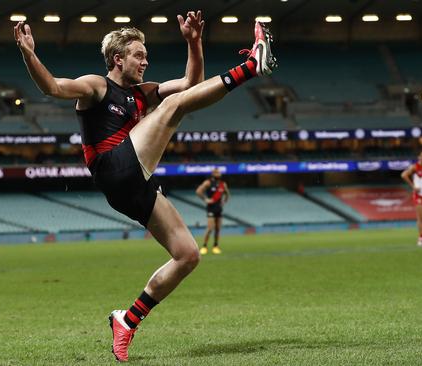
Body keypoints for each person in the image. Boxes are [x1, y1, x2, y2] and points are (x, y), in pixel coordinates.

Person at [15, 11, 276, 362]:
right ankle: (251, 68)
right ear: (117, 59)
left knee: (187, 255)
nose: (145, 61)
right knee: (172, 106)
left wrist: (194, 42)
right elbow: (53, 87)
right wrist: (29, 53)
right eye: (138, 55)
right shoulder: (97, 86)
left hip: (134, 184)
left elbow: (191, 86)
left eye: (146, 55)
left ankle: (128, 320)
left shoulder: (142, 93)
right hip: (112, 168)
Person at [195, 168, 230, 254]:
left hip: (219, 208)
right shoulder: (208, 182)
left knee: (218, 229)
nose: (219, 174)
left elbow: (227, 194)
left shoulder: (223, 184)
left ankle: (216, 246)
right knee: (210, 228)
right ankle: (204, 246)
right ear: (213, 174)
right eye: (217, 172)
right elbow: (198, 191)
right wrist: (205, 199)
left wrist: (224, 201)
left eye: (219, 172)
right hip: (211, 208)